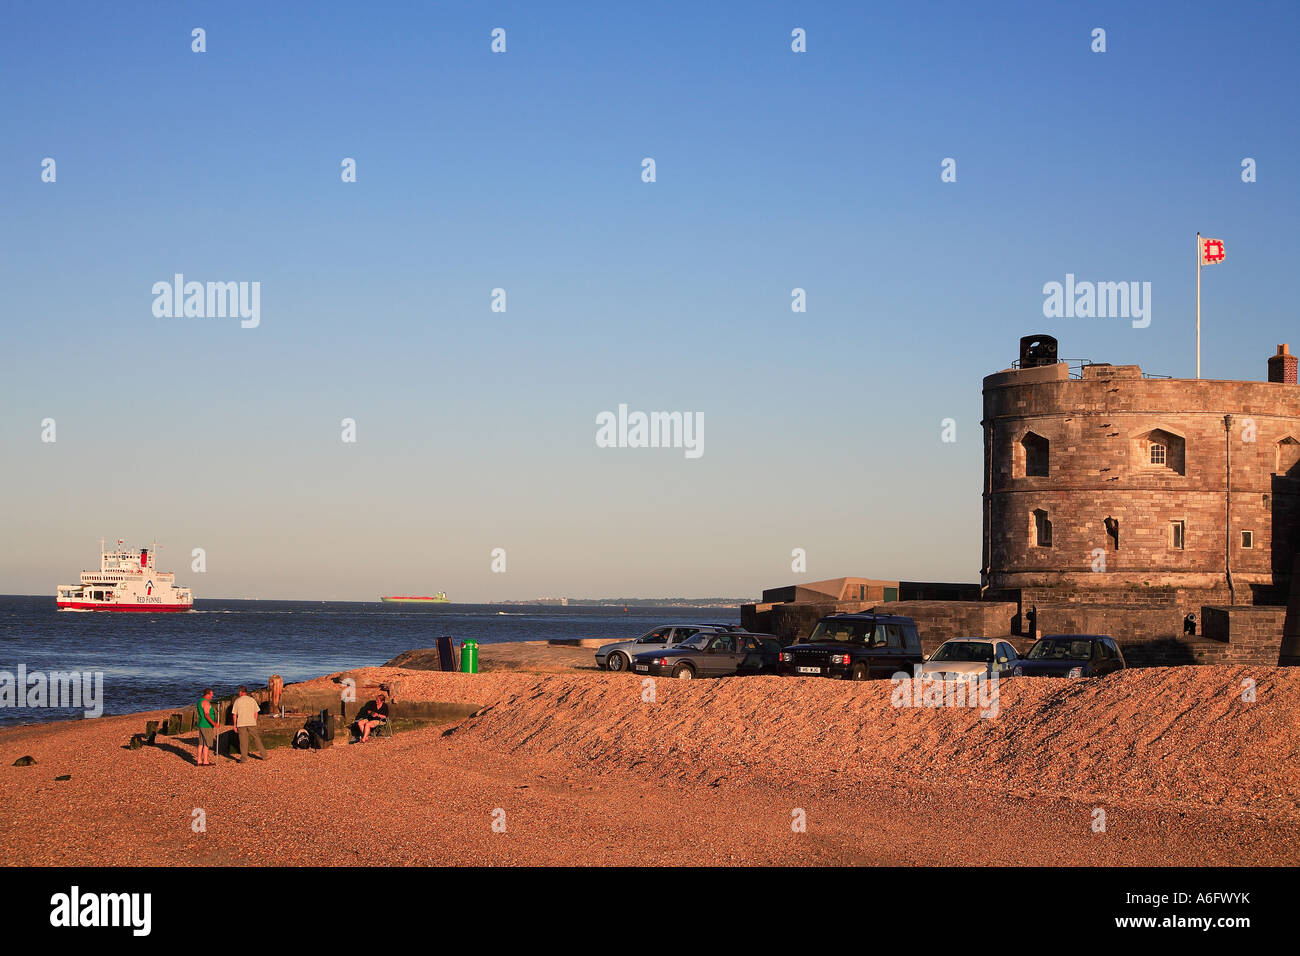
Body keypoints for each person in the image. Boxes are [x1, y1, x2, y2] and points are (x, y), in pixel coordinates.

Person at [230, 686, 267, 762]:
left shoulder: (237, 701)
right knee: (256, 739)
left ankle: (244, 758)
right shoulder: (251, 700)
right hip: (251, 722)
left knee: (243, 741)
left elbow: (234, 714)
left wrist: (234, 725)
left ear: (240, 692)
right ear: (246, 692)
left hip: (241, 723)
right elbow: (256, 712)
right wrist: (254, 721)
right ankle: (264, 755)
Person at [196, 688, 218, 766]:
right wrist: (214, 723)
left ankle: (199, 760)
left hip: (201, 724)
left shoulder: (200, 701)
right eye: (211, 694)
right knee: (206, 744)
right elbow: (206, 715)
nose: (212, 696)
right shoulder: (205, 702)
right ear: (207, 694)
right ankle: (205, 761)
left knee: (201, 743)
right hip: (206, 725)